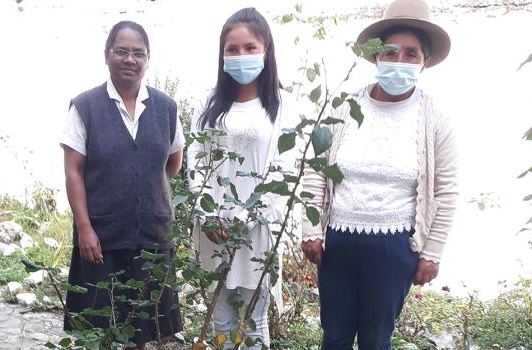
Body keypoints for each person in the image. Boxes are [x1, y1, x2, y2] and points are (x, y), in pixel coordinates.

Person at [300, 0, 458, 349]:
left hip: (395, 247)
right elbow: (317, 169)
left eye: (410, 55)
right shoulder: (343, 108)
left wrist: (432, 253)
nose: (398, 61)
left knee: (376, 338)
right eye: (390, 52)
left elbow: (446, 192)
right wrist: (310, 230)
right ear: (375, 57)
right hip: (338, 243)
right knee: (335, 335)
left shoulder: (435, 121)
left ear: (424, 62)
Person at [60, 20, 184, 350]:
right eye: (121, 51)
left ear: (147, 58)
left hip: (151, 236)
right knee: (97, 327)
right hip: (100, 237)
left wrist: (141, 189)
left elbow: (173, 162)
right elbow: (73, 171)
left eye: (137, 53)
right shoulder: (85, 107)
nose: (129, 59)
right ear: (107, 55)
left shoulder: (166, 108)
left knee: (141, 330)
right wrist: (84, 228)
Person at [186, 7, 298, 349]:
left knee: (253, 320)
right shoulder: (209, 103)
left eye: (250, 48)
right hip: (212, 229)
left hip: (257, 233)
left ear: (266, 50)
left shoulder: (280, 106)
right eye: (232, 49)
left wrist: (244, 220)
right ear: (222, 54)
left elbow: (283, 171)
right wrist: (208, 214)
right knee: (220, 319)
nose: (240, 55)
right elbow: (194, 159)